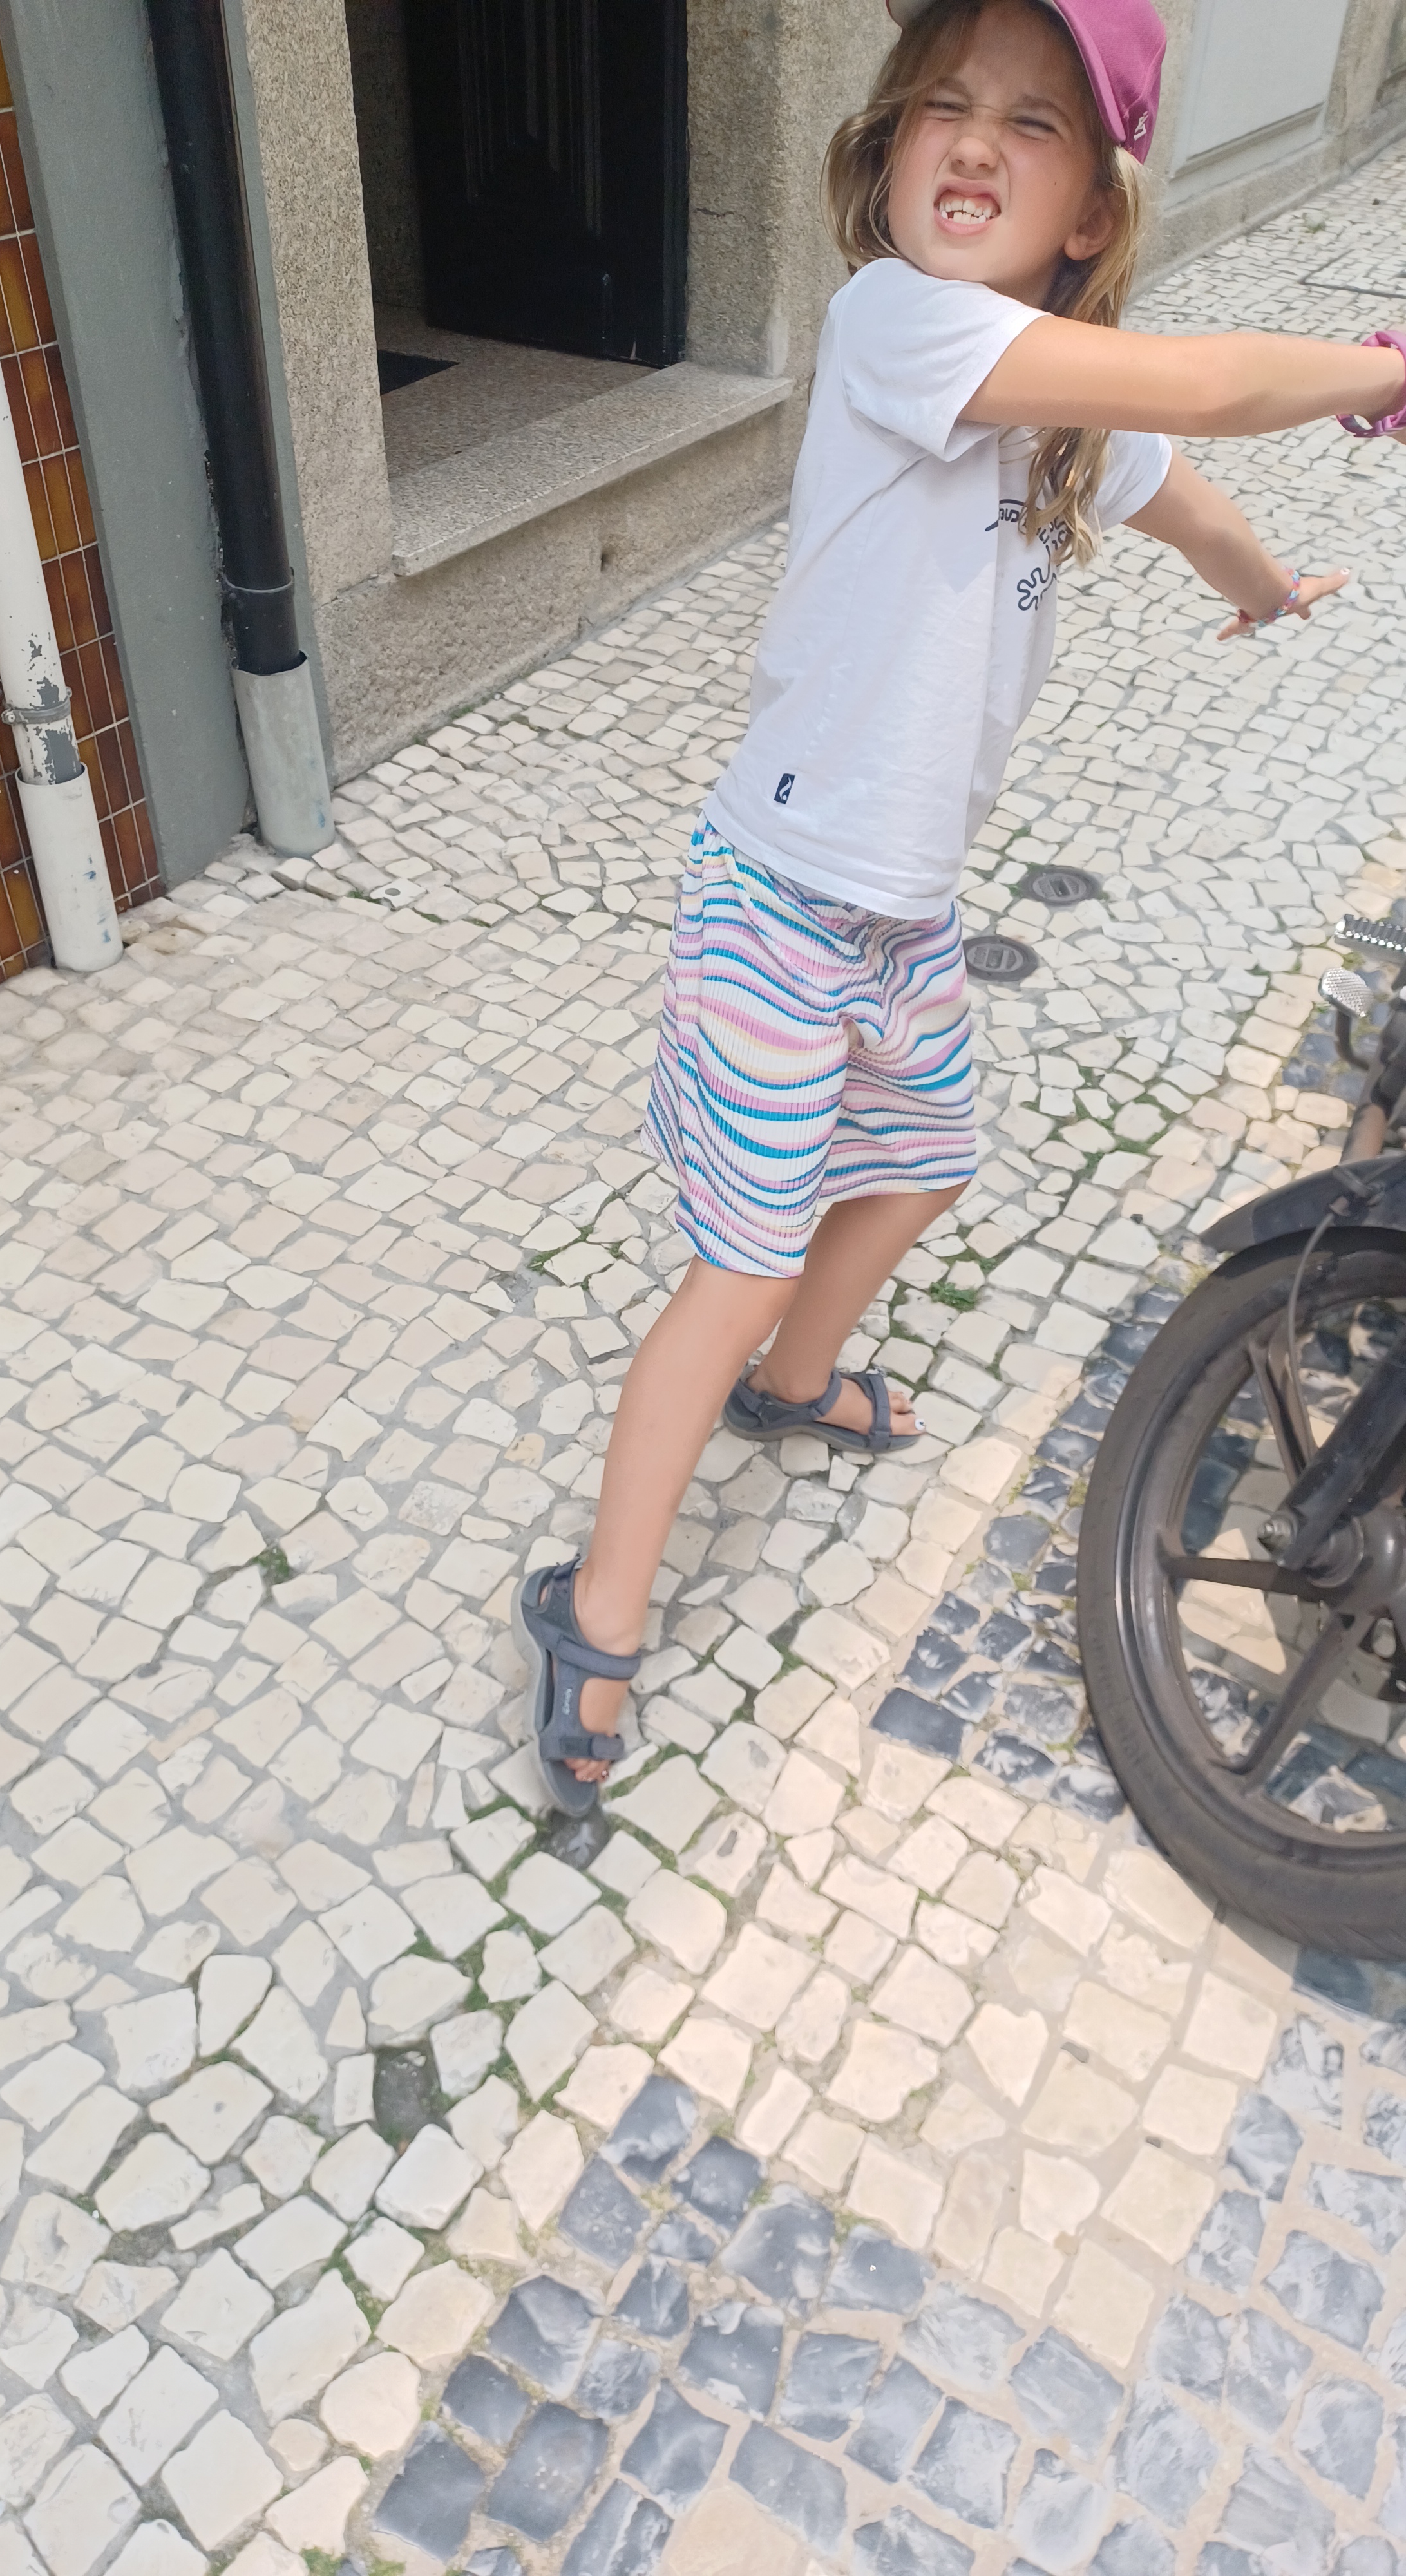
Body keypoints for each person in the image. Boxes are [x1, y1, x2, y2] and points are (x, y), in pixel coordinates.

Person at [514, 0, 1406, 1814]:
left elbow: (1180, 478)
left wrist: (1260, 588)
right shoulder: (895, 324)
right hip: (773, 896)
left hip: (901, 920)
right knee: (743, 1252)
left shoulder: (1055, 407)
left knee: (921, 1163)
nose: (972, 140)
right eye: (941, 105)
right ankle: (598, 1618)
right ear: (891, 149)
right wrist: (1374, 363)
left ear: (1095, 206)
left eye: (1031, 120)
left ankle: (798, 1385)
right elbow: (1206, 388)